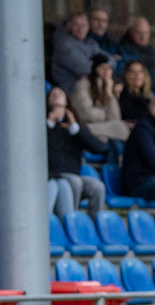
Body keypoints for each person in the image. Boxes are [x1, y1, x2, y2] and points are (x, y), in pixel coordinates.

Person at [46, 87, 108, 218]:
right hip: (54, 175)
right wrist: (50, 125)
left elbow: (99, 148)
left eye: (60, 93)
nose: (56, 95)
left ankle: (94, 225)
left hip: (74, 173)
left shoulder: (74, 125)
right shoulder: (44, 124)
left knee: (98, 187)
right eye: (53, 94)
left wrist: (76, 130)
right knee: (75, 182)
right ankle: (72, 222)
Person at [71, 55, 131, 143]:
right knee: (120, 128)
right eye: (102, 68)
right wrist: (107, 114)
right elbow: (87, 114)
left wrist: (109, 93)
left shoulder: (108, 86)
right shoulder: (83, 84)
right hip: (85, 127)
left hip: (102, 126)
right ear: (95, 68)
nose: (106, 71)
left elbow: (115, 117)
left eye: (109, 68)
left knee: (121, 129)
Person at [51, 12, 110, 93]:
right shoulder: (63, 44)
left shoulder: (90, 42)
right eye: (76, 25)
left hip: (89, 87)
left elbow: (111, 61)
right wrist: (99, 64)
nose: (80, 28)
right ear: (69, 26)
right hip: (69, 91)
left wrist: (97, 64)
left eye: (83, 25)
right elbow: (84, 68)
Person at [119, 17, 155, 94]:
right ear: (132, 33)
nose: (143, 36)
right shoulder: (125, 51)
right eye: (139, 33)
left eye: (146, 33)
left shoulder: (154, 52)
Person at [87, 8, 122, 75]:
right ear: (89, 21)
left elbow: (120, 60)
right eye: (96, 20)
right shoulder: (84, 40)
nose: (100, 24)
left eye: (104, 21)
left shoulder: (111, 41)